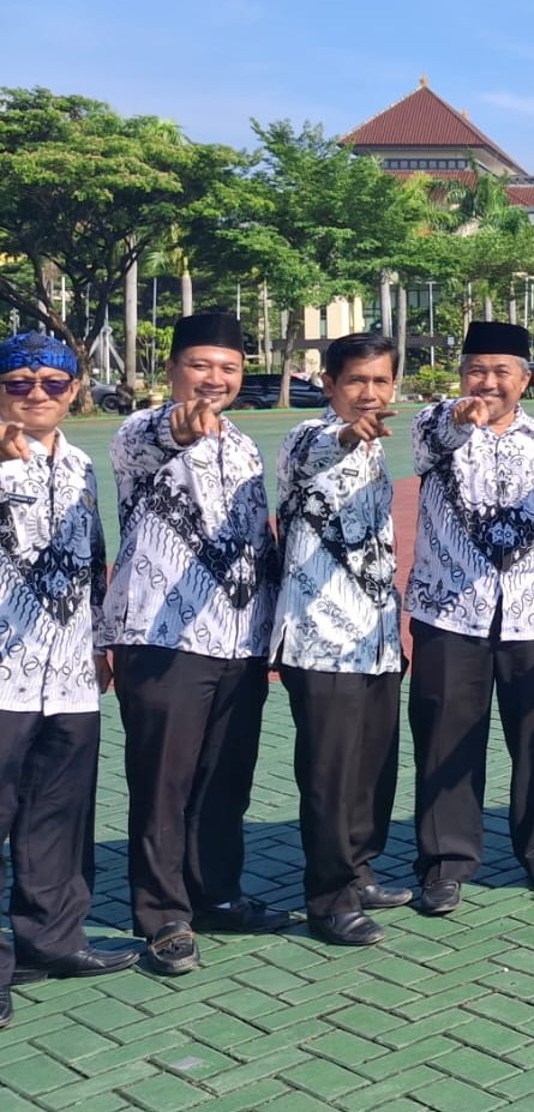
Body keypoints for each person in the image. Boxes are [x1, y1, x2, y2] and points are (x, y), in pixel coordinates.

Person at [103, 313, 287, 977]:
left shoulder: (242, 445)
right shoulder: (137, 434)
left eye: (229, 368)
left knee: (223, 781)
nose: (215, 380)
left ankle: (216, 894)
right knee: (163, 785)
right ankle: (162, 917)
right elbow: (161, 436)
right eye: (201, 366)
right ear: (173, 369)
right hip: (163, 639)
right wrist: (180, 425)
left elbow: (258, 539)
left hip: (240, 644)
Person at [406, 321, 534, 913]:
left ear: (525, 380)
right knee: (444, 737)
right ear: (460, 375)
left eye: (501, 372)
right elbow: (429, 442)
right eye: (476, 370)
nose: (487, 382)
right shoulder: (436, 426)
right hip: (449, 612)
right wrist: (460, 419)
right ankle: (446, 861)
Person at [0, 333, 140, 1022]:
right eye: (19, 382)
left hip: (68, 675)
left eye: (52, 383)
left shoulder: (81, 464)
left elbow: (92, 561)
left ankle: (50, 940)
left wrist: (99, 643)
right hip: (3, 678)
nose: (36, 394)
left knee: (57, 818)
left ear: (75, 390)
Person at [270, 332, 409, 948]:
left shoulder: (379, 447)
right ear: (328, 383)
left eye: (380, 382)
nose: (369, 394)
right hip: (320, 637)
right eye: (356, 381)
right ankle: (328, 899)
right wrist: (349, 433)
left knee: (372, 766)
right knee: (330, 771)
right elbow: (320, 453)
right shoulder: (308, 435)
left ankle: (358, 868)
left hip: (376, 636)